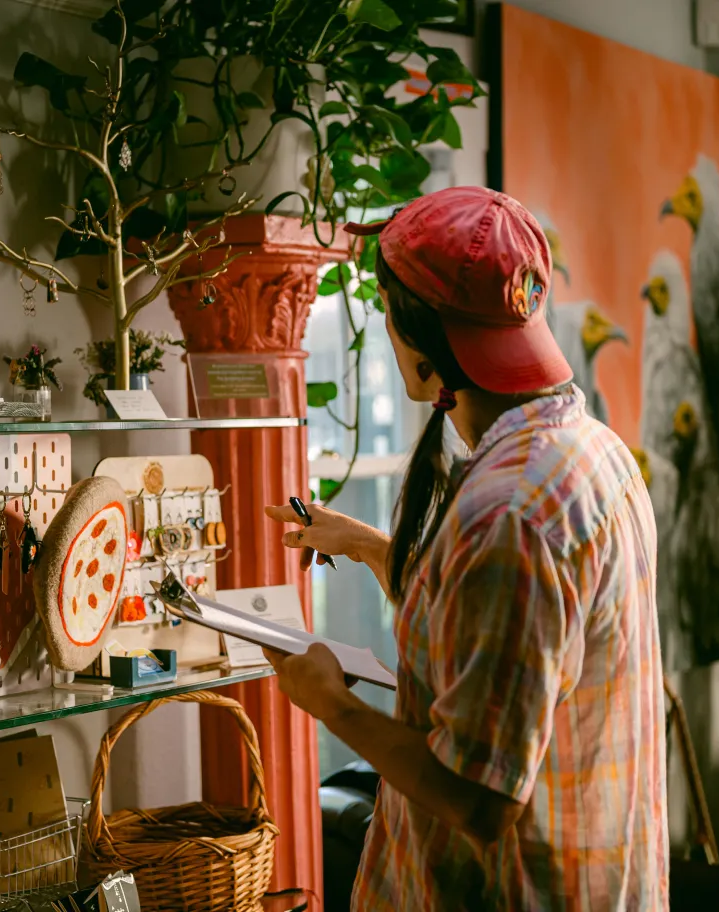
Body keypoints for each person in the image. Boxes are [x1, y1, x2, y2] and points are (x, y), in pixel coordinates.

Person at [263, 187, 668, 910]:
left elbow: (482, 801)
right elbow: (508, 641)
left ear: (422, 353)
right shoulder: (589, 450)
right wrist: (369, 547)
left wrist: (331, 704)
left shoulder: (508, 518)